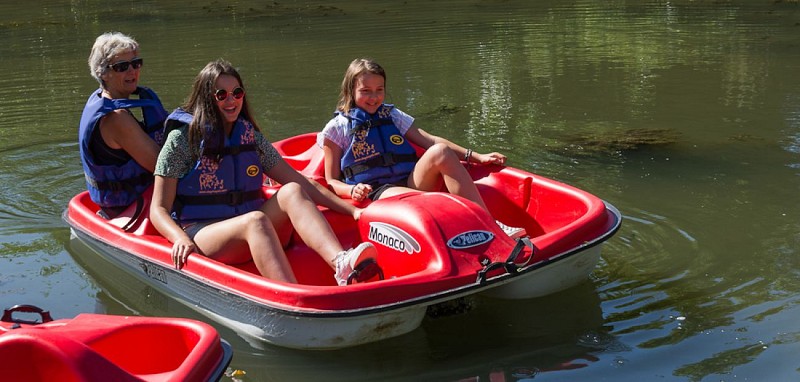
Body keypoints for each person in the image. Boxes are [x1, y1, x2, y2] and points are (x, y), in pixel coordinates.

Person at [150, 59, 377, 286]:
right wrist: (179, 238)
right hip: (204, 233)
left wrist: (352, 212)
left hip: (252, 228)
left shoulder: (251, 138)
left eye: (237, 93)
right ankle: (293, 298)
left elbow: (300, 181)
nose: (232, 100)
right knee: (255, 220)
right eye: (222, 95)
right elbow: (158, 209)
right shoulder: (181, 140)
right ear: (207, 97)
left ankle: (341, 263)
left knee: (292, 191)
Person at [318, 58, 526, 238]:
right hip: (376, 192)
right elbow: (332, 181)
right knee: (428, 202)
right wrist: (353, 190)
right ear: (350, 91)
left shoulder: (392, 115)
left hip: (409, 181)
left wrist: (477, 157)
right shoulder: (337, 129)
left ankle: (488, 223)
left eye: (379, 90)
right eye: (365, 91)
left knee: (440, 152)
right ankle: (462, 228)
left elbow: (431, 141)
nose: (374, 98)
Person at [78, 32, 167, 223]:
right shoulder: (117, 118)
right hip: (129, 210)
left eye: (136, 63)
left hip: (129, 201)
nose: (132, 71)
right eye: (122, 67)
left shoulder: (101, 98)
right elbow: (165, 168)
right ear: (103, 73)